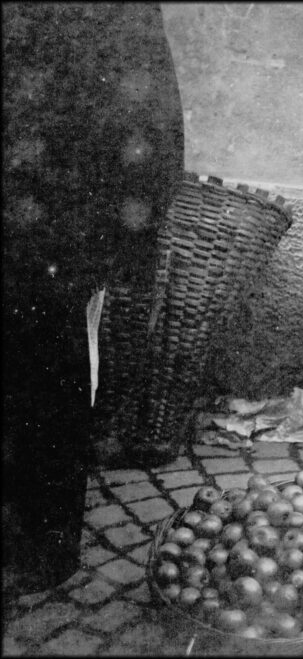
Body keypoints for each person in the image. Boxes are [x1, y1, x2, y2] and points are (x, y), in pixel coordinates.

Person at [2, 3, 184, 593]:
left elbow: (139, 100)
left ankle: (41, 543)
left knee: (44, 360)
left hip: (54, 204)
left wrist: (122, 227)